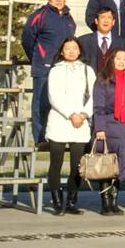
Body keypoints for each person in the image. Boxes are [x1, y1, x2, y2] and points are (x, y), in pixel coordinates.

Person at [44, 37, 94, 216]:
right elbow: (53, 96)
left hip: (80, 123)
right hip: (60, 121)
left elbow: (94, 95)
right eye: (67, 48)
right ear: (61, 51)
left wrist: (83, 114)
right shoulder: (55, 70)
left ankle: (72, 201)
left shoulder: (87, 70)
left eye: (74, 48)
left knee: (77, 166)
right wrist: (70, 114)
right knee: (56, 163)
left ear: (79, 51)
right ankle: (57, 202)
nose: (71, 51)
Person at [22, 0, 76, 144]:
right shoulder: (40, 15)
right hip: (44, 67)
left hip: (64, 67)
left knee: (62, 103)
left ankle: (58, 137)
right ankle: (40, 139)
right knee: (41, 102)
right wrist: (38, 57)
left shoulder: (69, 18)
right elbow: (27, 39)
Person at [92, 48, 125, 215]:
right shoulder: (103, 79)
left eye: (124, 59)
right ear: (111, 60)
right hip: (108, 126)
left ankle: (114, 202)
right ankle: (105, 204)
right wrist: (100, 128)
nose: (121, 62)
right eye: (118, 59)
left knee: (118, 167)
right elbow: (98, 107)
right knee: (107, 165)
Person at [80, 7, 125, 74]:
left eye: (109, 18)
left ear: (113, 22)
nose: (106, 21)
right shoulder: (83, 41)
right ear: (96, 21)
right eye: (103, 17)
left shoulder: (122, 43)